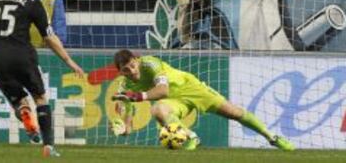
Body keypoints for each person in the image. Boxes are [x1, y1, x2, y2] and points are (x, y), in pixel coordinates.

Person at [0, 0, 84, 157]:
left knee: (20, 100)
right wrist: (69, 61)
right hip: (23, 56)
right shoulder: (32, 3)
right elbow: (50, 37)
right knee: (40, 98)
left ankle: (23, 112)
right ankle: (48, 145)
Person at [111, 49, 295, 151]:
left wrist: (140, 96)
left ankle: (272, 138)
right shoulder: (124, 88)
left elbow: (163, 90)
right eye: (126, 70)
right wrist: (124, 129)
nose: (132, 71)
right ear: (120, 71)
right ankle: (192, 137)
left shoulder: (150, 63)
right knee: (157, 111)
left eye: (133, 66)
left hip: (192, 88)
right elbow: (129, 122)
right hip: (175, 102)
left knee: (234, 113)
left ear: (138, 59)